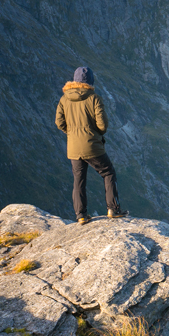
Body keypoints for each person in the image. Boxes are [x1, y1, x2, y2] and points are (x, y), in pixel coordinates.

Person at [55, 66, 126, 223]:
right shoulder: (94, 98)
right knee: (108, 173)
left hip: (73, 147)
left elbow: (59, 122)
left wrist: (72, 133)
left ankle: (81, 215)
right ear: (90, 82)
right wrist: (94, 133)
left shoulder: (64, 98)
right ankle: (113, 209)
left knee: (78, 180)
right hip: (92, 145)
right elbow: (102, 125)